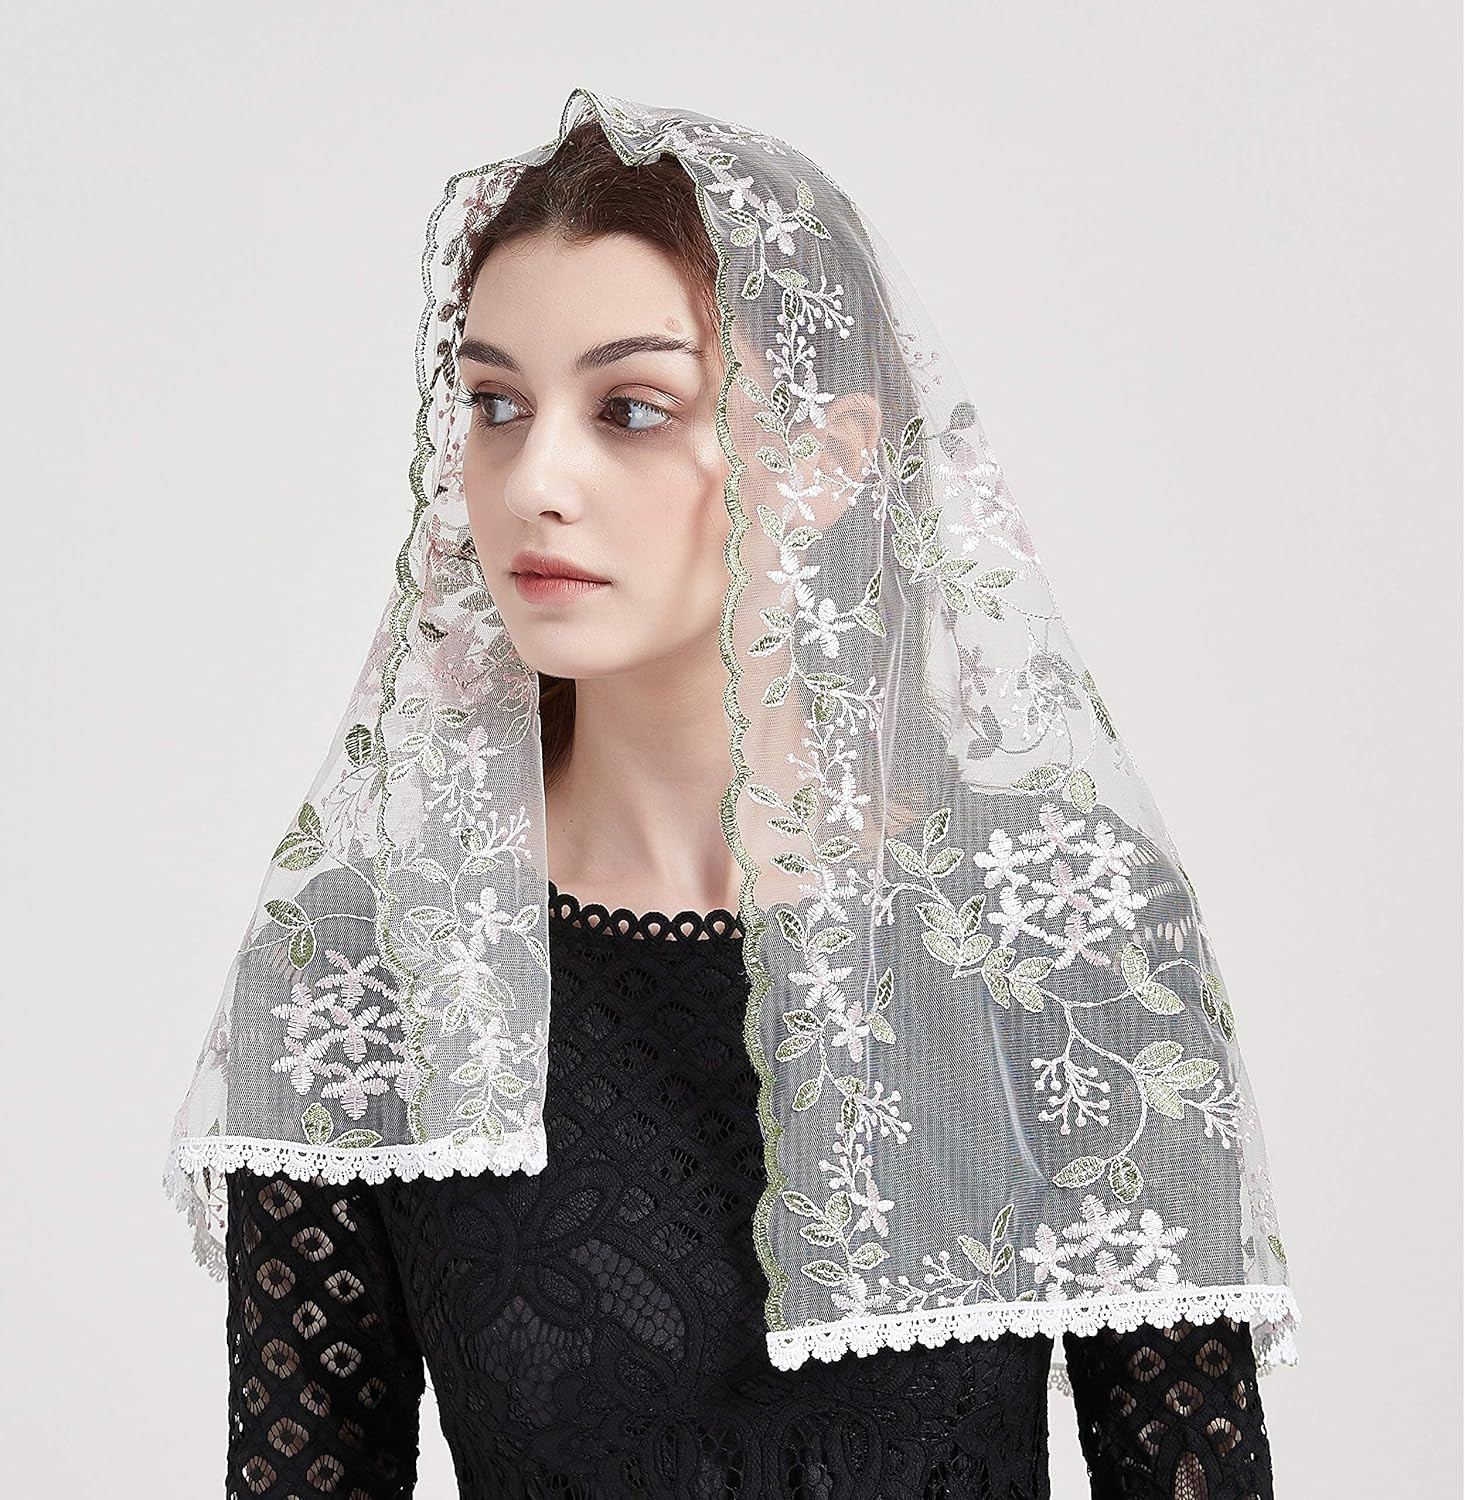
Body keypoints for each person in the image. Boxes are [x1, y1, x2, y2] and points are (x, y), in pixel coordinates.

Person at [170, 87, 1297, 1499]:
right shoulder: (372, 957)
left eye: (632, 409)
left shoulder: (1051, 929)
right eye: (496, 404)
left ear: (826, 458)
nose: (534, 480)